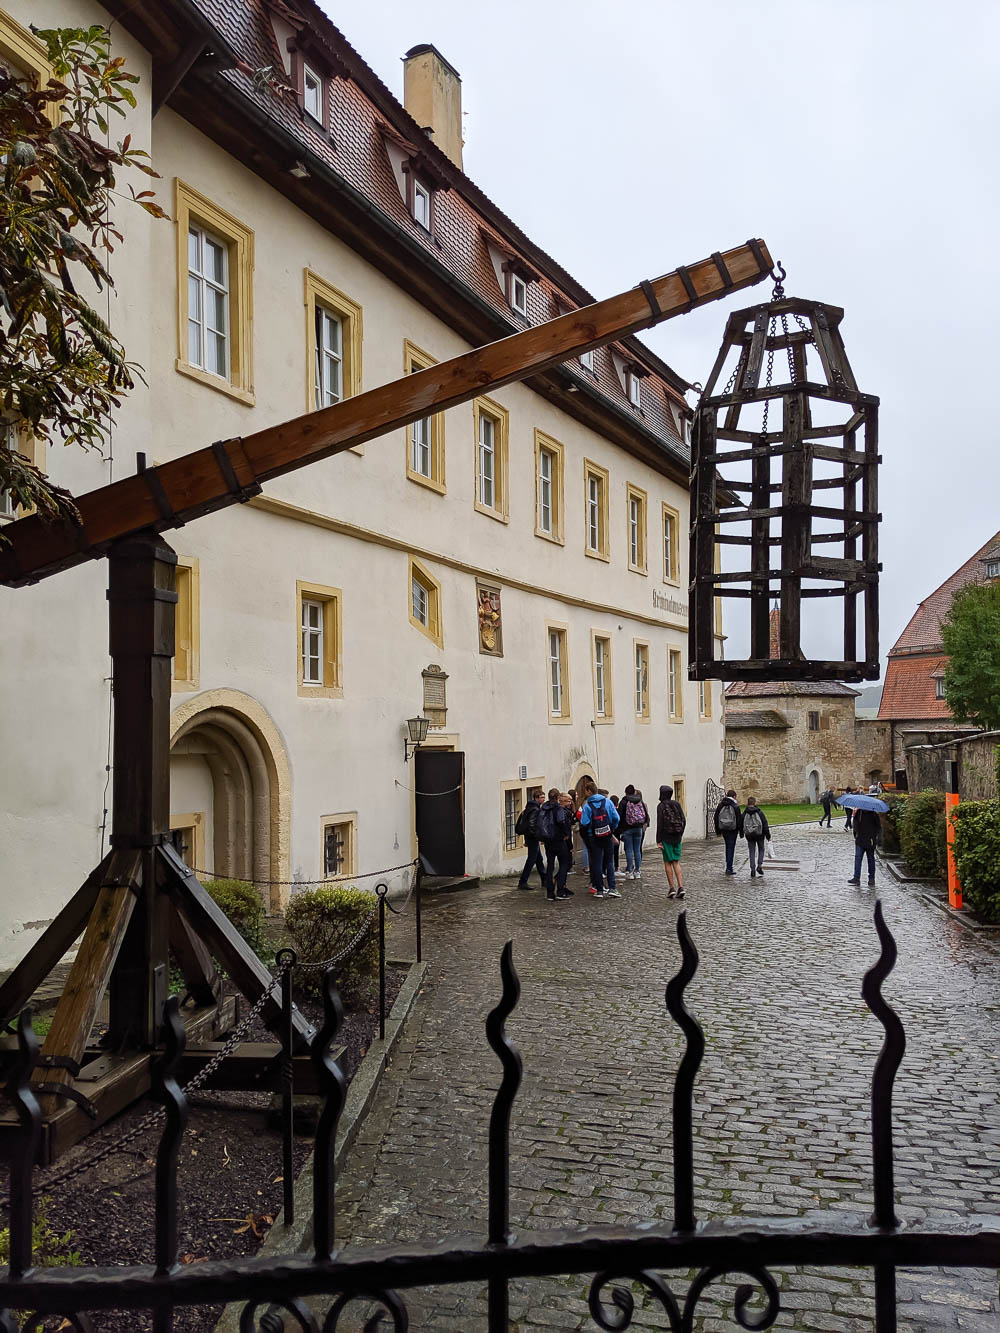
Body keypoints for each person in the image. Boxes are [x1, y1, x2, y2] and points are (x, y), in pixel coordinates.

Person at [578, 779, 620, 899]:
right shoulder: (607, 802)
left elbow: (584, 823)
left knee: (596, 862)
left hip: (593, 836)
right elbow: (616, 818)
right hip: (607, 834)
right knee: (609, 861)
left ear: (589, 791)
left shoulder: (587, 806)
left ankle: (600, 890)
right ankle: (612, 888)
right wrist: (611, 829)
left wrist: (588, 834)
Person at [538, 787, 572, 901]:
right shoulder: (558, 808)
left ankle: (550, 892)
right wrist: (566, 833)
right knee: (564, 864)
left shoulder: (544, 808)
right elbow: (561, 822)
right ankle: (560, 890)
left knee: (550, 866)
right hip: (558, 840)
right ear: (558, 798)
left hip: (548, 841)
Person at [655, 784, 686, 899]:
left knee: (668, 862)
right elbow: (683, 820)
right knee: (676, 862)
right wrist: (680, 833)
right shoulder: (677, 804)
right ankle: (681, 886)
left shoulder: (661, 806)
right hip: (677, 836)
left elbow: (660, 823)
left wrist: (658, 840)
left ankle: (672, 888)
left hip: (666, 837)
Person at [515, 787, 545, 891]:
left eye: (544, 798)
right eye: (541, 798)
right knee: (531, 859)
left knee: (538, 859)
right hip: (533, 837)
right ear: (536, 798)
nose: (543, 800)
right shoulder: (535, 809)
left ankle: (544, 880)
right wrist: (537, 836)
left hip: (530, 837)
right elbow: (532, 824)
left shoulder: (529, 808)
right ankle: (523, 881)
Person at [618, 786, 650, 880]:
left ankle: (630, 872)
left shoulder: (624, 801)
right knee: (637, 850)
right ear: (634, 792)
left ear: (626, 792)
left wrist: (620, 829)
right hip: (638, 828)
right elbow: (646, 815)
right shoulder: (640, 801)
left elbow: (619, 816)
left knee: (629, 850)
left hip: (627, 828)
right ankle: (637, 871)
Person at [848, 806, 880, 886]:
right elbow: (855, 825)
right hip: (860, 840)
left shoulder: (874, 815)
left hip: (870, 840)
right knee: (858, 859)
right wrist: (856, 835)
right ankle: (856, 877)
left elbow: (878, 827)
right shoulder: (859, 813)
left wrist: (875, 838)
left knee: (870, 859)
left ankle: (871, 878)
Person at [714, 789, 741, 875]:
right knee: (731, 848)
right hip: (733, 830)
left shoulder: (720, 805)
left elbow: (715, 817)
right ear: (734, 796)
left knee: (727, 847)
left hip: (724, 829)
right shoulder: (735, 806)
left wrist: (718, 830)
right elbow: (739, 819)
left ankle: (728, 865)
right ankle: (729, 868)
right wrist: (741, 831)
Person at [742, 795, 771, 878]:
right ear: (754, 803)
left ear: (748, 803)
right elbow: (765, 824)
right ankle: (759, 865)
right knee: (761, 849)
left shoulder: (745, 812)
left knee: (752, 851)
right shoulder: (759, 812)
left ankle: (752, 869)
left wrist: (741, 833)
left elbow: (741, 823)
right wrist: (768, 835)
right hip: (759, 834)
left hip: (749, 835)